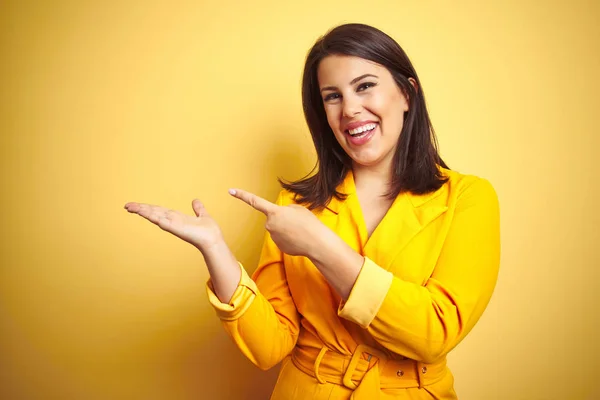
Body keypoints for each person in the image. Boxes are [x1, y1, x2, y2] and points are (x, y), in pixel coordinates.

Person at [124, 23, 500, 400]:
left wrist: (319, 246)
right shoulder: (295, 204)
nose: (350, 109)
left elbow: (434, 332)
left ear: (406, 92)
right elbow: (270, 345)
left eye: (365, 86)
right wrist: (215, 250)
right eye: (332, 96)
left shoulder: (467, 198)